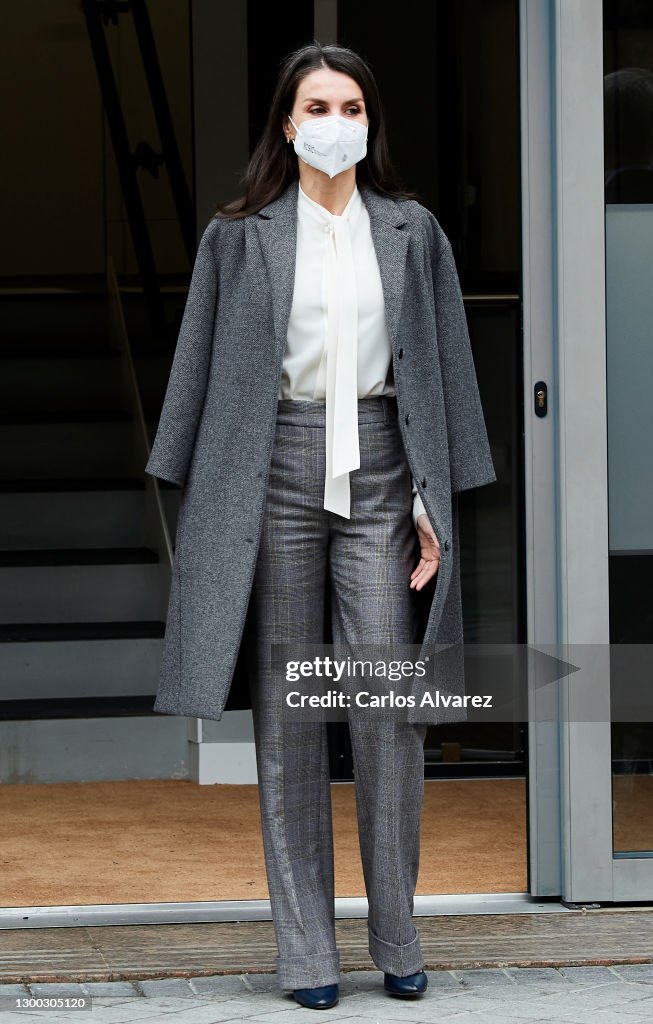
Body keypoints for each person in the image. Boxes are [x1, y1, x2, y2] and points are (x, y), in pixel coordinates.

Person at [145, 40, 496, 1012]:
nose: (334, 120)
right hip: (276, 468)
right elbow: (198, 376)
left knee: (387, 710)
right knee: (290, 722)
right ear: (286, 124)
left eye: (350, 105)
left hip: (383, 465)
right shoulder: (240, 235)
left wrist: (436, 497)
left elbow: (441, 371)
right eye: (317, 105)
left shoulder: (412, 231)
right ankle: (304, 951)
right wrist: (205, 498)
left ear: (367, 122)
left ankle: (396, 933)